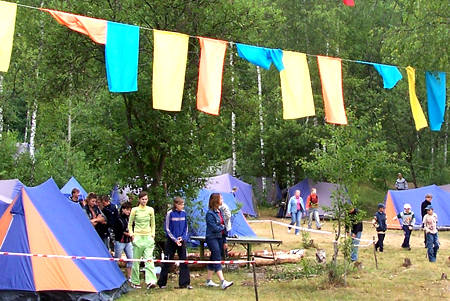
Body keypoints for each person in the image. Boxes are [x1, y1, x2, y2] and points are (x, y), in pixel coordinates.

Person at [157, 197, 192, 289]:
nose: (182, 206)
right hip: (171, 241)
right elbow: (167, 229)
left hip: (181, 240)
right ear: (176, 204)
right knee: (167, 260)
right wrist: (175, 239)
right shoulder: (170, 214)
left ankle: (184, 283)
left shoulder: (184, 213)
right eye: (180, 204)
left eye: (183, 204)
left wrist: (182, 238)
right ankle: (162, 283)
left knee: (184, 260)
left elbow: (186, 228)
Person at [128, 191, 157, 289]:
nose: (144, 201)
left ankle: (151, 281)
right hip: (138, 237)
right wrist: (132, 235)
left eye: (146, 199)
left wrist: (152, 235)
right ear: (139, 200)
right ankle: (135, 281)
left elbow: (153, 223)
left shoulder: (150, 210)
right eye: (142, 199)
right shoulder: (134, 210)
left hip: (148, 237)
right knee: (136, 261)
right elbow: (130, 224)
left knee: (149, 260)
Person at [205, 193, 233, 290]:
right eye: (221, 198)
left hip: (220, 237)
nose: (222, 200)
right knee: (217, 257)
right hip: (212, 237)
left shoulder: (220, 211)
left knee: (214, 258)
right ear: (216, 200)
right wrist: (221, 227)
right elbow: (213, 227)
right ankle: (222, 281)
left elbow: (224, 226)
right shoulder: (210, 214)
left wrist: (225, 240)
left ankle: (208, 281)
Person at [114, 202, 133, 281]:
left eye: (130, 210)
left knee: (131, 259)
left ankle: (129, 277)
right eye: (127, 210)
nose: (129, 212)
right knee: (116, 259)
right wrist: (127, 234)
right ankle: (115, 276)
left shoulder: (130, 218)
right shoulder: (118, 219)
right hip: (120, 241)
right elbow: (117, 231)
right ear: (123, 209)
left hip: (128, 242)